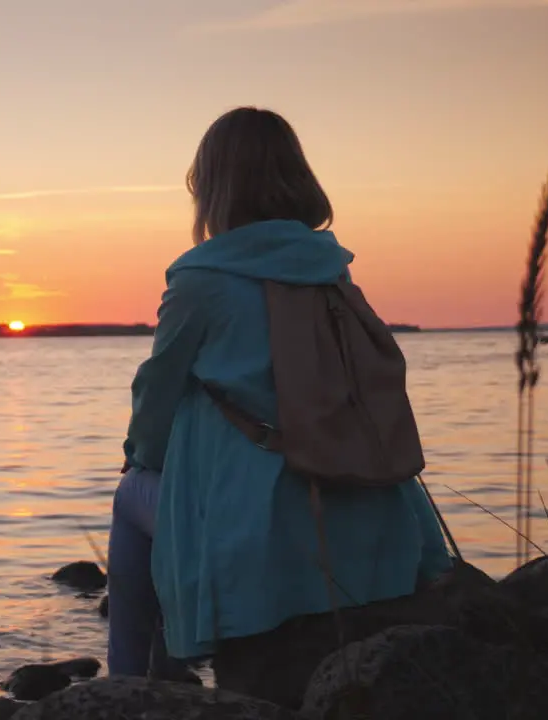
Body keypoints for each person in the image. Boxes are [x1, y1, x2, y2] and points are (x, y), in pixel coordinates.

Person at [110, 106, 453, 702]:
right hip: (375, 511)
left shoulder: (201, 279)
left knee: (129, 495)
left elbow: (155, 394)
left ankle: (137, 686)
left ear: (211, 188)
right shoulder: (333, 272)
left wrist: (143, 458)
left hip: (258, 519)